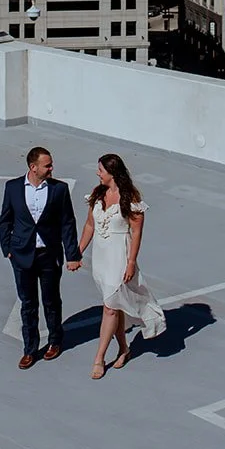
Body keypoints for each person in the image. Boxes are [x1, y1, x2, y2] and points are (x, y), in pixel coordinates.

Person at [78, 153, 166, 379]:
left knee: (109, 307)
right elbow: (89, 225)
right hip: (101, 260)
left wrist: (131, 263)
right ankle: (124, 349)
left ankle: (99, 359)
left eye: (101, 170)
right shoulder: (98, 194)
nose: (97, 173)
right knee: (113, 306)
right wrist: (77, 252)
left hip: (119, 259)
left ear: (112, 172)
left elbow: (136, 233)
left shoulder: (130, 198)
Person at [0, 146, 82, 369]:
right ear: (33, 167)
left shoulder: (59, 190)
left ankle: (55, 341)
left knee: (51, 301)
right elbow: (5, 220)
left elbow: (67, 223)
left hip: (48, 255)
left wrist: (72, 254)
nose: (51, 168)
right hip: (22, 255)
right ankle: (30, 349)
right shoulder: (13, 187)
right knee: (28, 304)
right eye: (47, 165)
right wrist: (7, 247)